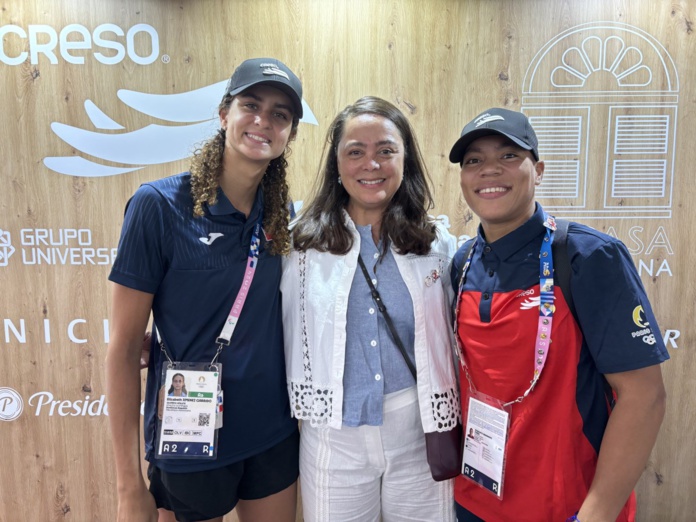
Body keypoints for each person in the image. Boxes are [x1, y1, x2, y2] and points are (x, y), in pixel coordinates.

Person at [106, 57, 304, 522]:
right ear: (224, 114)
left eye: (280, 114)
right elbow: (120, 351)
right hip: (188, 436)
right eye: (251, 105)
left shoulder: (284, 217)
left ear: (290, 133)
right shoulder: (158, 206)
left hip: (272, 433)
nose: (263, 121)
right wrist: (128, 486)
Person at [448, 107, 669, 522]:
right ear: (462, 178)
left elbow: (645, 396)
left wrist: (595, 514)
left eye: (509, 156)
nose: (489, 171)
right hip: (474, 500)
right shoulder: (462, 263)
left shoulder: (587, 256)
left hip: (565, 507)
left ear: (539, 169)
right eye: (474, 160)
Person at [282, 96, 458, 521]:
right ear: (337, 165)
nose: (371, 164)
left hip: (419, 432)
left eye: (385, 150)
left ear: (405, 160)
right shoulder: (298, 248)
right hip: (332, 437)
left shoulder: (438, 246)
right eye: (355, 152)